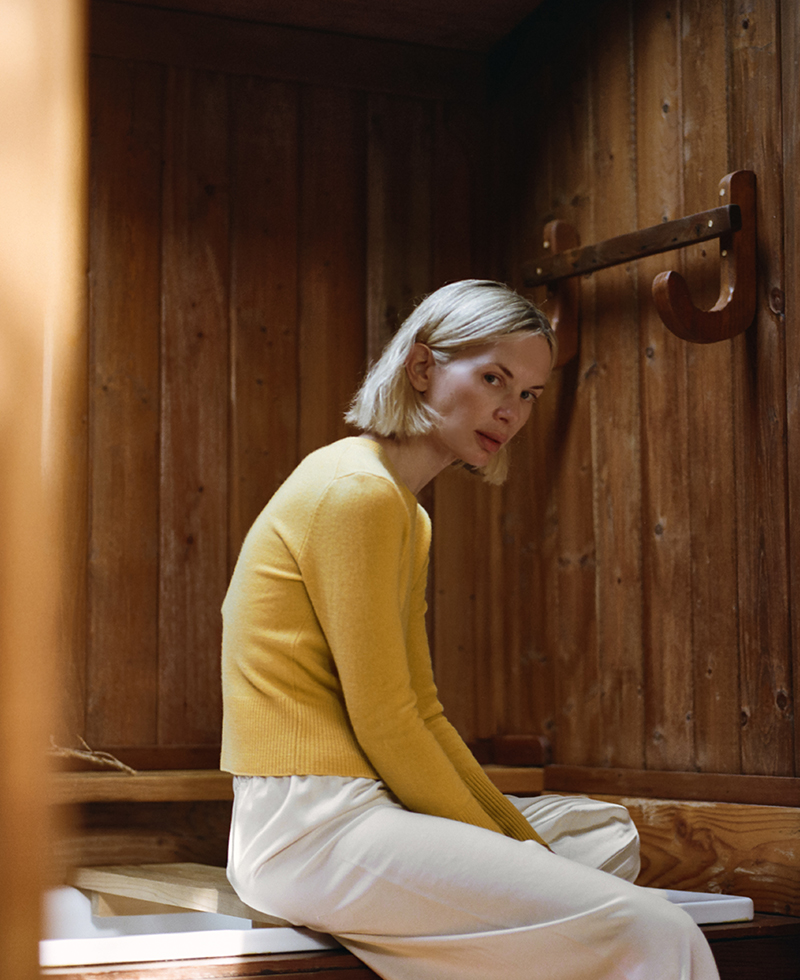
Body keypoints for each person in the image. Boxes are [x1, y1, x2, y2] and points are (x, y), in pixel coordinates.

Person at [221, 280, 719, 980]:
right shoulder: (356, 492)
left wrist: (521, 847)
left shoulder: (406, 511)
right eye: (494, 379)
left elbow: (423, 709)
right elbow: (389, 722)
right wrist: (517, 852)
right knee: (654, 929)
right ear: (423, 368)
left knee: (601, 838)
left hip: (361, 805)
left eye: (528, 396)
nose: (509, 412)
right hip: (312, 825)